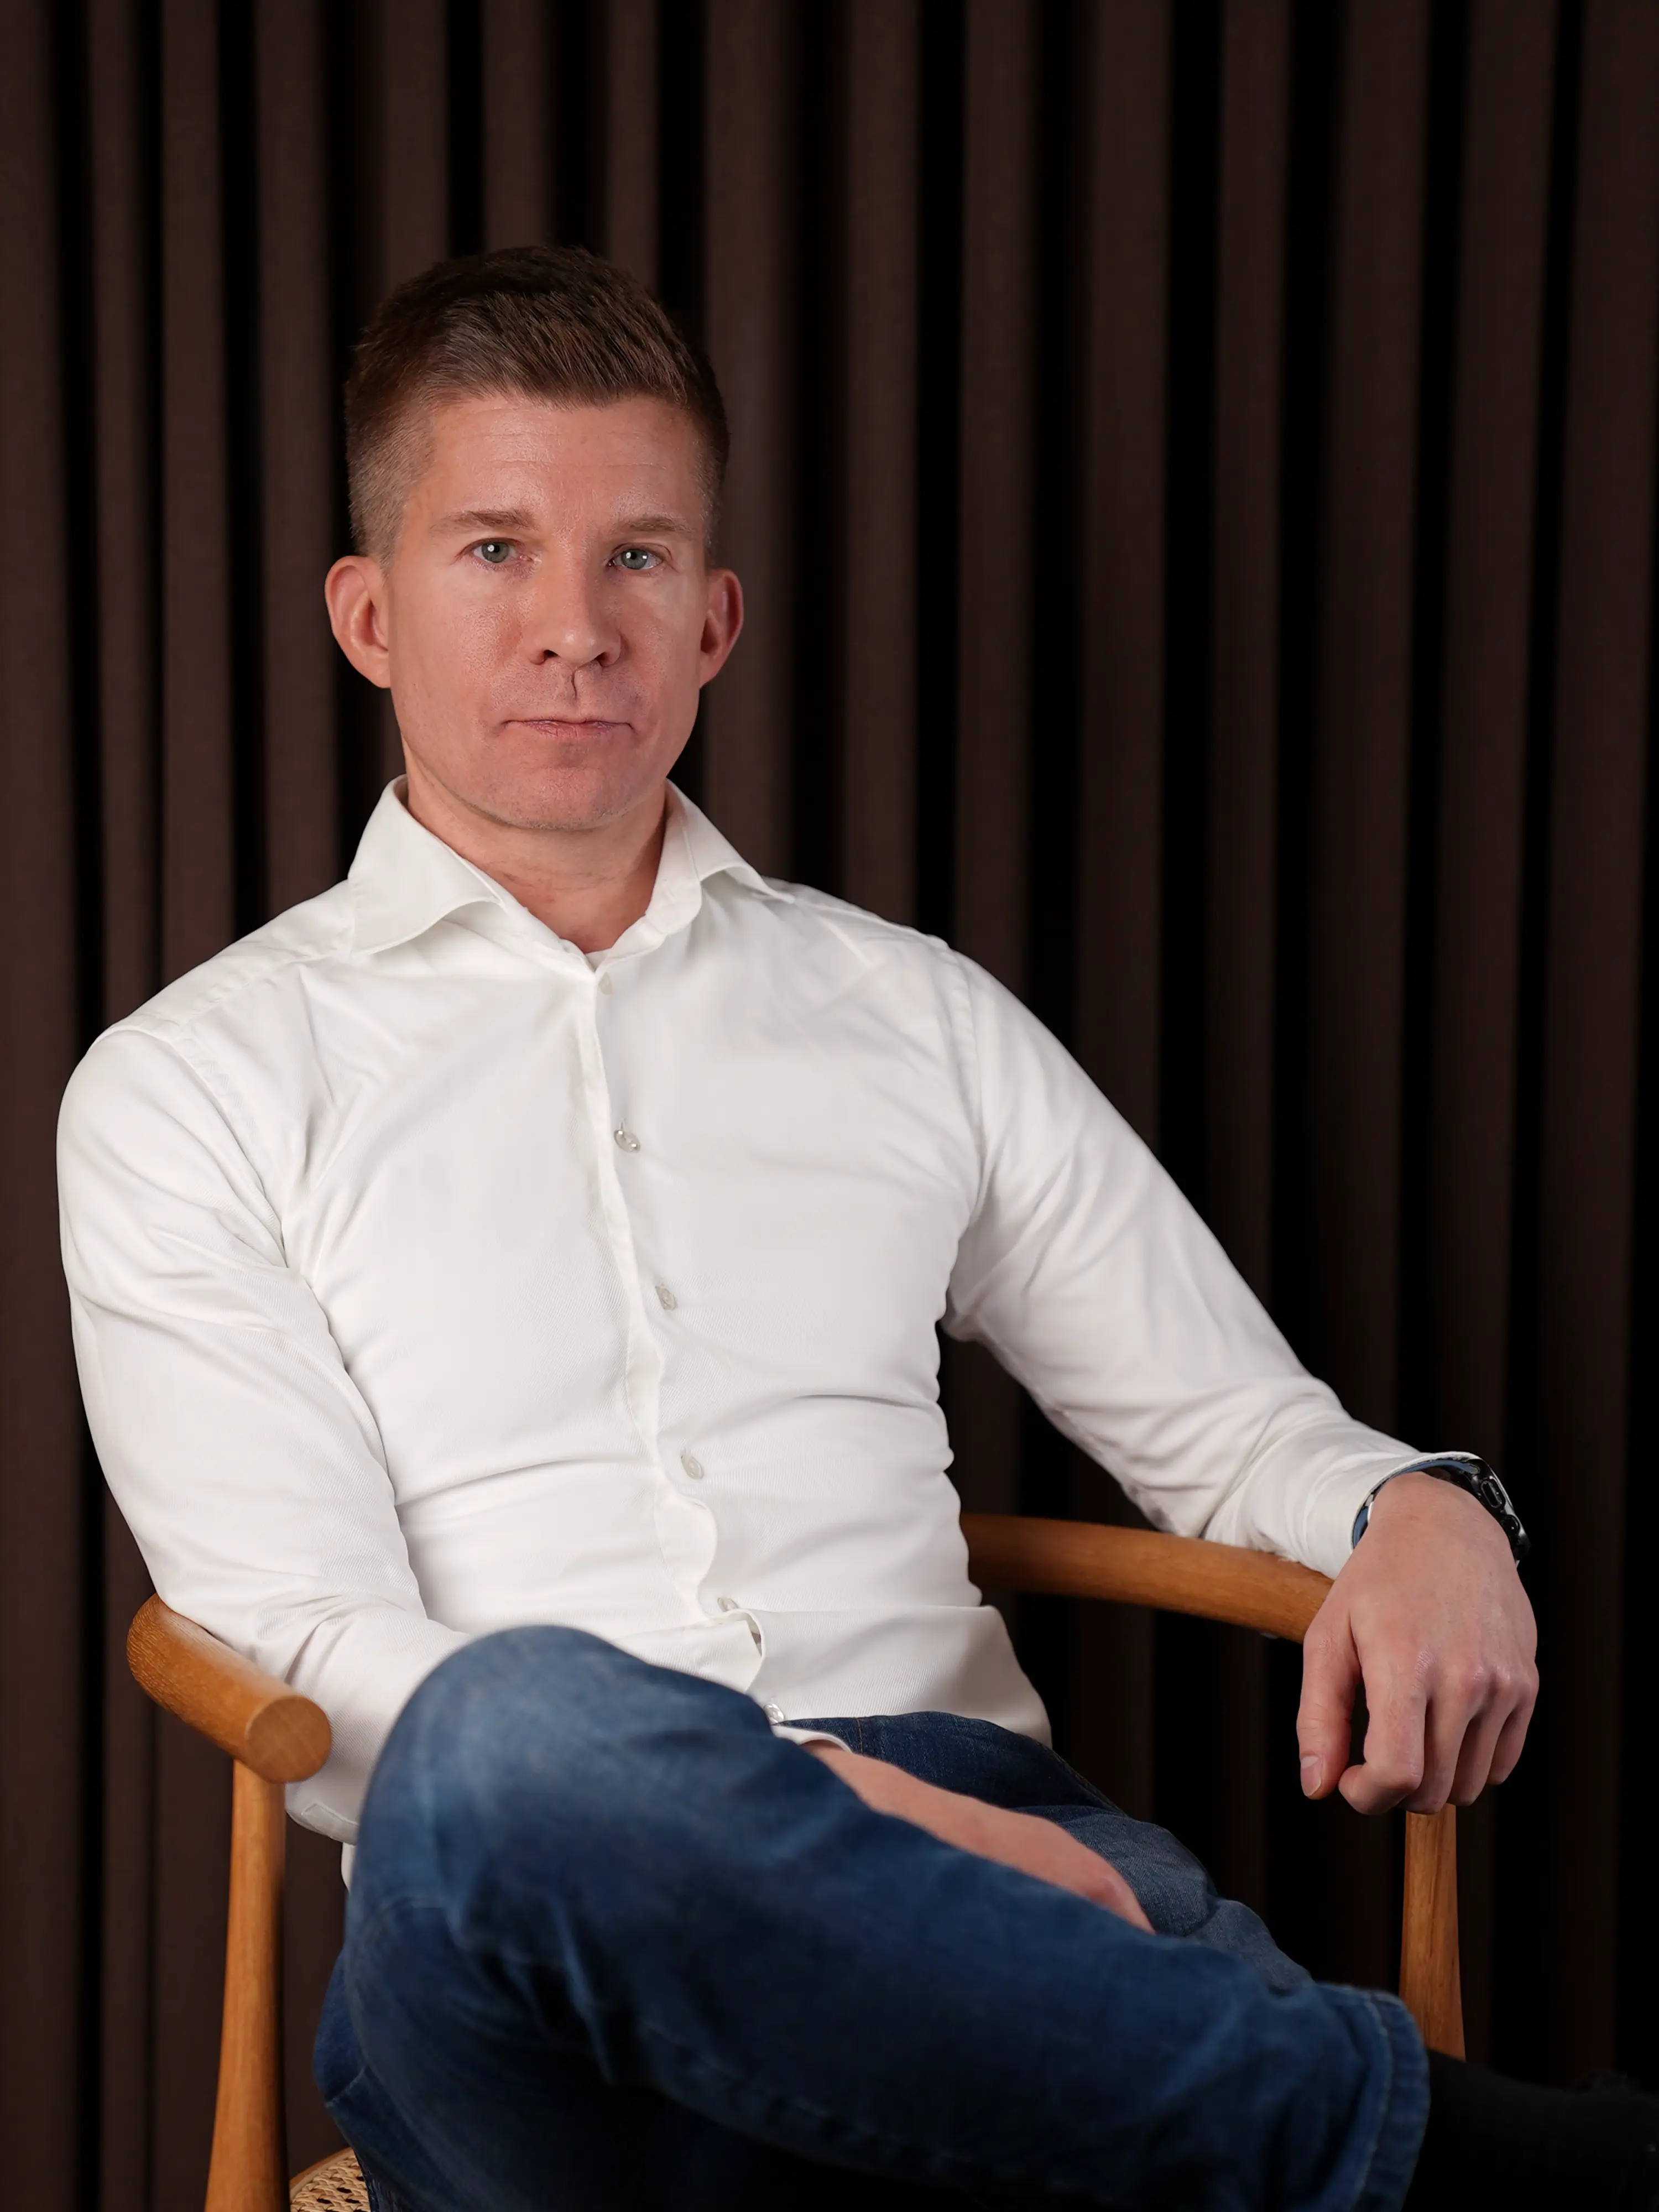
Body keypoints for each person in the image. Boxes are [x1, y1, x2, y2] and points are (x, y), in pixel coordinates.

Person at [56, 245, 1653, 2210]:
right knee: (503, 1726)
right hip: (526, 1938)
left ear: (715, 619)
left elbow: (1238, 1431)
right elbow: (303, 1640)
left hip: (992, 1848)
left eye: (639, 558)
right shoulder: (189, 1084)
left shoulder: (916, 1016)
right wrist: (801, 1803)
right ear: (368, 615)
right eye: (495, 552)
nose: (576, 630)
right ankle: (1482, 2164)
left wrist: (1430, 1507)